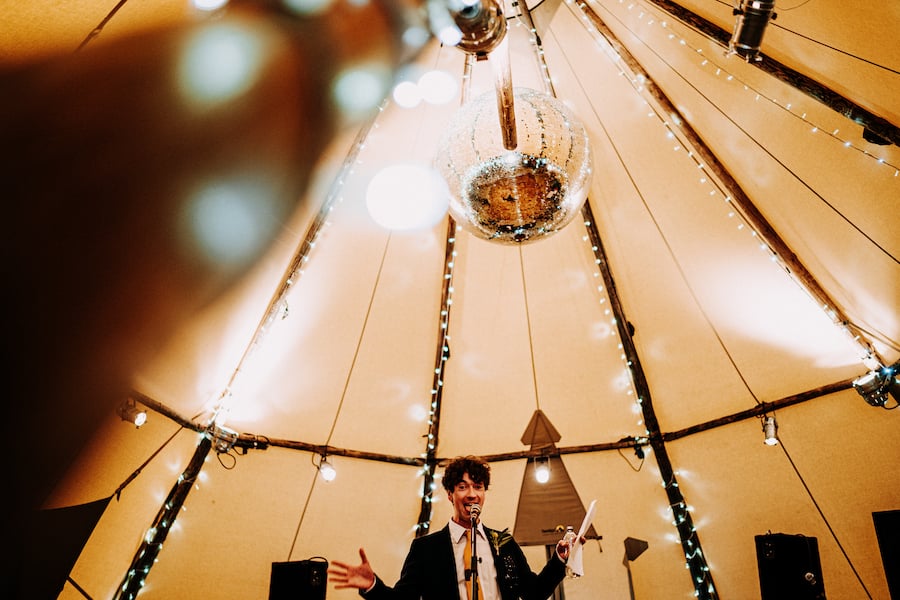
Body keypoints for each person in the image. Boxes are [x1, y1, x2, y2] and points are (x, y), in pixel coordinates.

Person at [329, 455, 574, 600]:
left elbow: (534, 593)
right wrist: (373, 586)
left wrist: (559, 560)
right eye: (462, 487)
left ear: (484, 493)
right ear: (450, 494)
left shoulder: (504, 543)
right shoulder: (426, 548)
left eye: (478, 487)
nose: (471, 495)